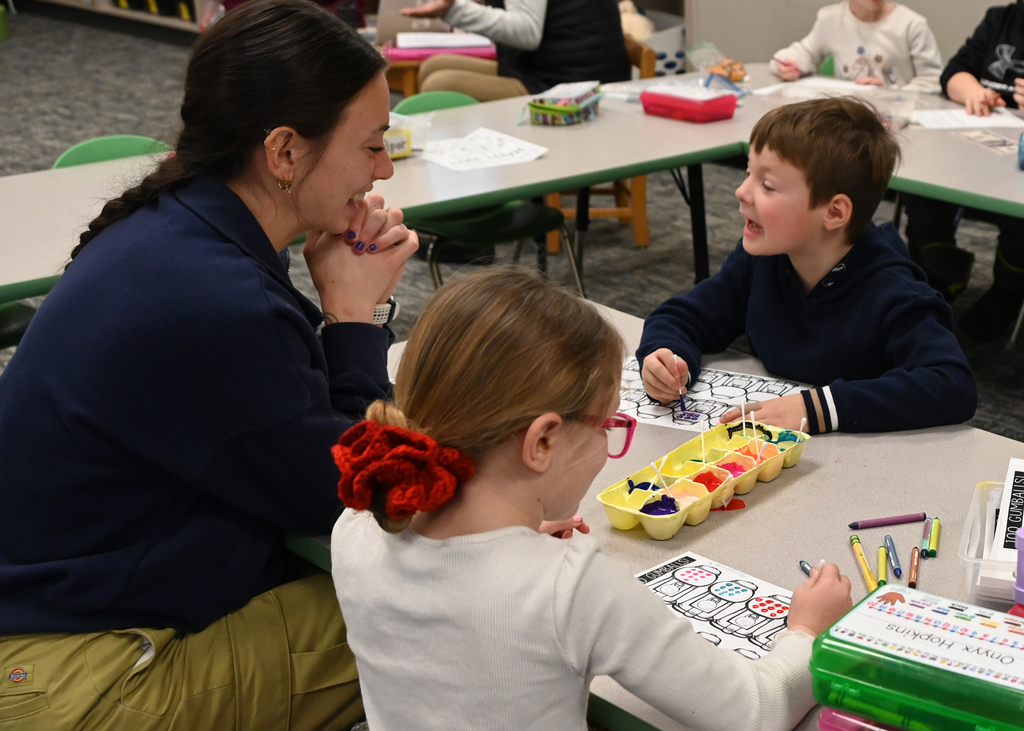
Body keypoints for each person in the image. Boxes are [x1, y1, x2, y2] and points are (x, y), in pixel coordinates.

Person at [0, 0, 416, 727]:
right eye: (372, 144)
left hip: (42, 613)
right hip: (72, 677)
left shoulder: (172, 225)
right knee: (432, 599)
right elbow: (350, 494)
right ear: (284, 152)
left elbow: (275, 419)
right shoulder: (224, 301)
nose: (383, 167)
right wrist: (352, 321)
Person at [330, 266, 853, 730]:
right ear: (542, 443)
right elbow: (753, 712)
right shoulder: (569, 586)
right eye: (606, 425)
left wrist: (513, 536)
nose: (610, 444)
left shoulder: (357, 524)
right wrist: (809, 630)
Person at [638, 97, 977, 435]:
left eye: (767, 185)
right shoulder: (761, 260)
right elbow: (682, 316)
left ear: (833, 213)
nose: (741, 191)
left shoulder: (895, 293)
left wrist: (817, 408)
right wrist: (667, 358)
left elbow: (952, 385)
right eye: (748, 173)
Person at [900, 1, 1024, 340]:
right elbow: (954, 71)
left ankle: (1009, 289)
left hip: (1019, 165)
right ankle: (941, 266)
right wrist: (974, 92)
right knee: (922, 169)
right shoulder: (1002, 17)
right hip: (985, 140)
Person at [402, 0, 631, 101]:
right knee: (434, 65)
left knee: (440, 84)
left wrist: (455, 10)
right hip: (554, 67)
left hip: (572, 86)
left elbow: (526, 31)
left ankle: (478, 185)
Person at [769, 0, 943, 93]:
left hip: (894, 121)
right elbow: (805, 52)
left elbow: (932, 81)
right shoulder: (831, 19)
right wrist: (789, 63)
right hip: (849, 121)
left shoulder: (912, 25)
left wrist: (889, 93)